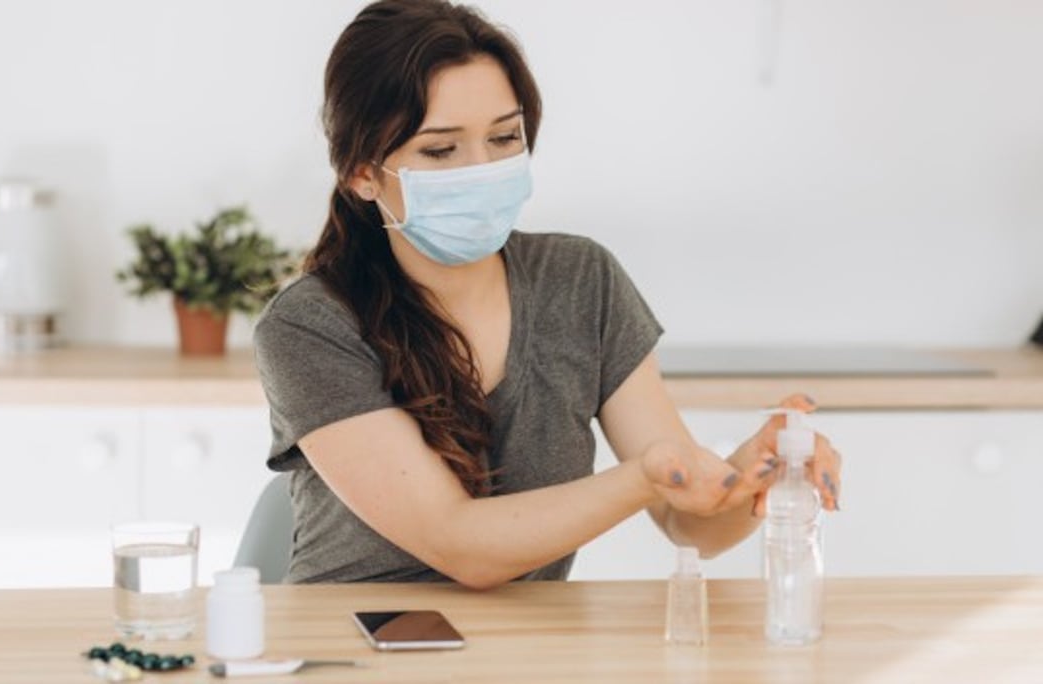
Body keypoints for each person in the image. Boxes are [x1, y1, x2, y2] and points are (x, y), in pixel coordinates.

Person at [252, 0, 842, 588]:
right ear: (362, 172)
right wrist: (647, 476)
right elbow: (461, 546)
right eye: (440, 150)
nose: (481, 168)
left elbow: (692, 524)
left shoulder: (582, 281)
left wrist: (758, 470)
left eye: (504, 137)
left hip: (528, 649)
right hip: (353, 647)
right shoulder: (310, 326)